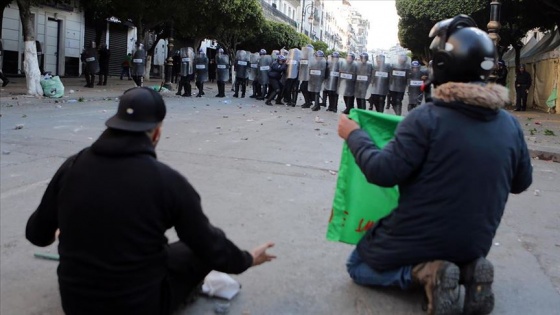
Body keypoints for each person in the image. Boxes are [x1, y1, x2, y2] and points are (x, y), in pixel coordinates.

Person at [337, 15, 532, 315]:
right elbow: (521, 183)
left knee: (358, 266)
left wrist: (354, 135)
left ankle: (427, 273)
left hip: (419, 240)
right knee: (459, 250)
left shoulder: (426, 119)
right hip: (475, 246)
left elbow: (382, 172)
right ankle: (470, 272)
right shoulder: (510, 125)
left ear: (442, 65)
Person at [26, 87, 276, 315]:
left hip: (76, 305)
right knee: (200, 246)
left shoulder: (73, 165)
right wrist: (246, 259)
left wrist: (67, 228)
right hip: (142, 307)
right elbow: (209, 245)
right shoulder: (168, 182)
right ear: (156, 133)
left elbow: (37, 234)